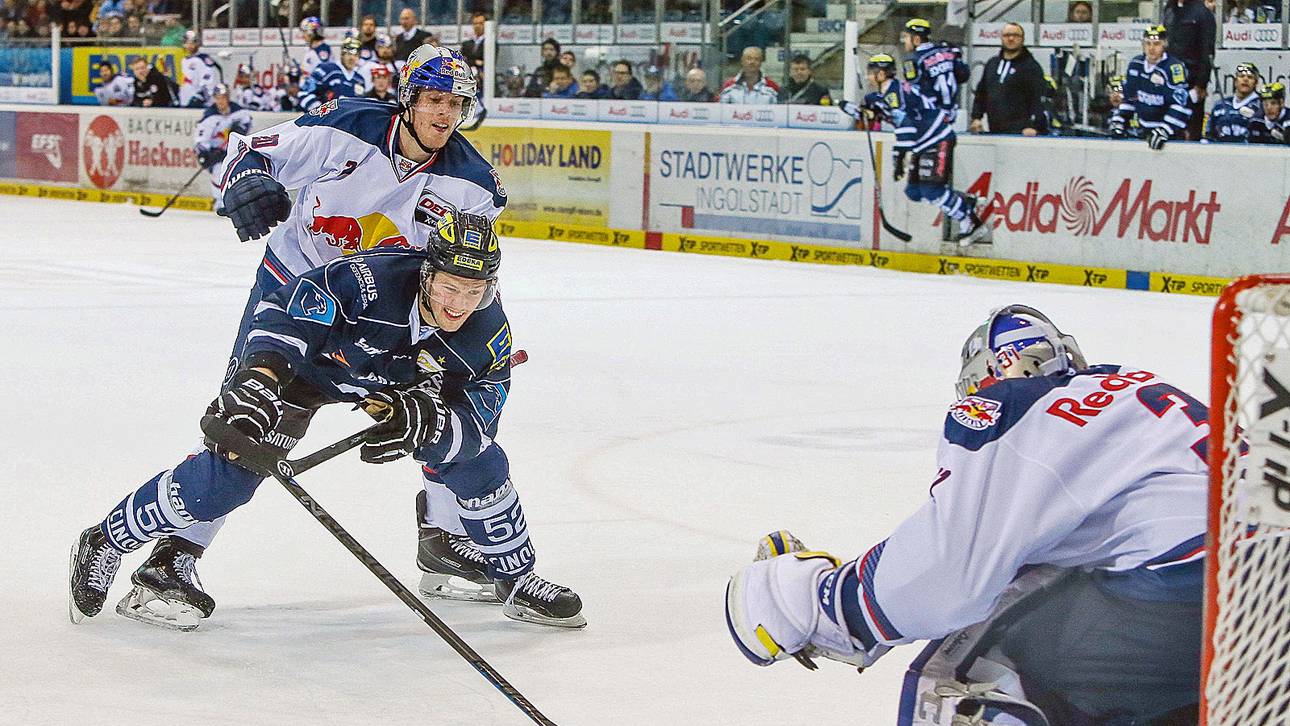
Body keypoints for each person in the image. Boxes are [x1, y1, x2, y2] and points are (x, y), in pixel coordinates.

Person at [68, 45, 580, 631]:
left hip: (394, 311)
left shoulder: (472, 185)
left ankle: (443, 538)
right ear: (408, 99)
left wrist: (436, 364)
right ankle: (171, 558)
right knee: (250, 431)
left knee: (448, 417)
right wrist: (249, 181)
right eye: (434, 99)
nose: (444, 114)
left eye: (456, 103)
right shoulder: (347, 127)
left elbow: (459, 277)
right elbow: (257, 151)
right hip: (295, 295)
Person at [726, 305, 1206, 725]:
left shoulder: (1014, 404)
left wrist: (829, 603)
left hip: (1198, 584)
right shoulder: (1132, 388)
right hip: (1260, 585)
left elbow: (951, 572)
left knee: (980, 665)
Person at [875, 20, 987, 245]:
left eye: (906, 38)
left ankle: (970, 219)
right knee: (914, 191)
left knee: (929, 188)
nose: (904, 42)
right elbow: (963, 75)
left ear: (916, 39)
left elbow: (913, 97)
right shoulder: (946, 51)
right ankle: (968, 202)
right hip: (944, 120)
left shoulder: (912, 61)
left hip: (933, 126)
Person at [1110, 25, 1191, 150]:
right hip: (1143, 132)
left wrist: (1165, 130)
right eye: (1148, 43)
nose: (1151, 48)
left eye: (1156, 44)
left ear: (1164, 45)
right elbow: (1129, 98)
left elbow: (1181, 105)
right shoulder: (1136, 64)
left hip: (1170, 137)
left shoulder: (1174, 68)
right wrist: (1120, 120)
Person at [969, 23, 1046, 135]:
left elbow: (1038, 99)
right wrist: (976, 118)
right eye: (1007, 35)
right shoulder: (992, 64)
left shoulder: (1031, 67)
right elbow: (981, 93)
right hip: (994, 130)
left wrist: (1034, 126)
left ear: (1022, 39)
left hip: (1021, 133)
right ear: (1001, 38)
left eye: (1015, 35)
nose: (1011, 38)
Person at [193, 84, 252, 214]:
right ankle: (220, 203)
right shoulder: (209, 117)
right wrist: (206, 153)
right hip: (214, 152)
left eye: (223, 97)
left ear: (228, 98)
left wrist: (240, 129)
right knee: (219, 171)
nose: (221, 101)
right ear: (214, 98)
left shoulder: (238, 112)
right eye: (218, 98)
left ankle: (236, 203)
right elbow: (200, 140)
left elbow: (247, 121)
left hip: (233, 150)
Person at [1163, 0, 1216, 140]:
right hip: (1169, 80)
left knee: (1191, 127)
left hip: (1191, 80)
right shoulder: (1169, 9)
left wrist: (1201, 83)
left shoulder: (1203, 13)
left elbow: (1208, 51)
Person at [298, 36, 366, 111]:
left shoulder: (359, 80)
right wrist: (319, 111)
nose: (352, 58)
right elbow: (304, 93)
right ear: (342, 54)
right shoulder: (326, 69)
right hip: (324, 121)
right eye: (348, 54)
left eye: (356, 55)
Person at [1204, 62, 1261, 142]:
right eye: (1241, 76)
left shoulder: (1261, 106)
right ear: (1235, 81)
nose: (1245, 80)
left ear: (1256, 83)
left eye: (1250, 77)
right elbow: (1209, 134)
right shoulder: (1220, 105)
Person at [178, 29, 220, 107]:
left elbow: (208, 80)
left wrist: (201, 97)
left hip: (199, 102)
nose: (189, 46)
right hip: (185, 100)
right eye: (186, 43)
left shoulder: (203, 59)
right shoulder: (184, 60)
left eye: (192, 43)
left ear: (197, 43)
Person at [459, 11, 487, 79]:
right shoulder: (466, 44)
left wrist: (470, 60)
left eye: (481, 23)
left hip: (484, 77)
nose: (477, 26)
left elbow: (487, 63)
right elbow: (462, 60)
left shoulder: (489, 44)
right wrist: (475, 61)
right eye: (475, 23)